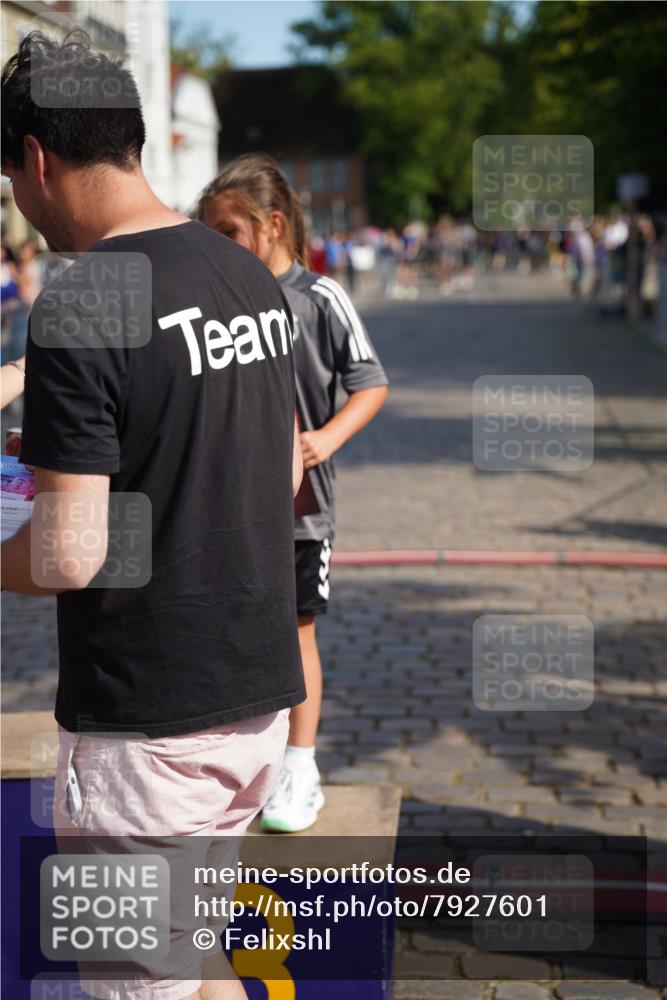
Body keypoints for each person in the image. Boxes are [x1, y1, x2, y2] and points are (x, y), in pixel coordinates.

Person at [1, 32, 305, 1000]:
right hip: (253, 702)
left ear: (36, 161)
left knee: (138, 984)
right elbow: (256, 463)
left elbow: (69, 554)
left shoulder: (84, 299)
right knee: (198, 956)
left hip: (150, 723)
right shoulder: (244, 274)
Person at [197, 155, 388, 833]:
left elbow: (370, 382)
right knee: (232, 630)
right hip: (225, 507)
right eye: (206, 233)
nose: (215, 246)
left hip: (302, 514)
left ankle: (299, 767)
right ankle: (245, 763)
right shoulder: (211, 302)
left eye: (228, 232)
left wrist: (326, 439)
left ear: (273, 226)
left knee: (295, 627)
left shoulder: (320, 297)